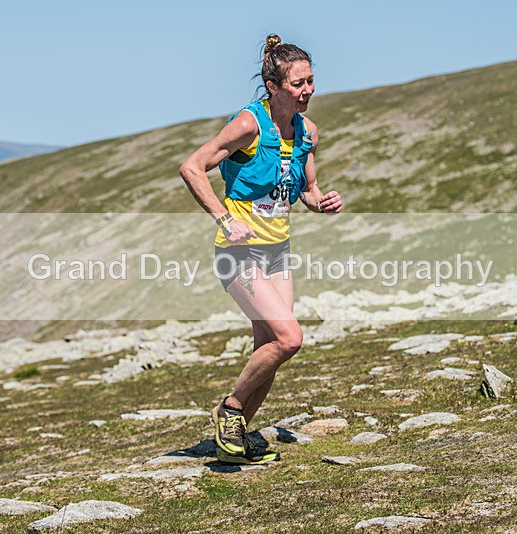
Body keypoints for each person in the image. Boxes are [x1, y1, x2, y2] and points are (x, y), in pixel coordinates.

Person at [179, 34, 342, 465]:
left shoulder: (307, 131)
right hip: (238, 253)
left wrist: (321, 202)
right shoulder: (250, 124)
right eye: (297, 84)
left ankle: (233, 443)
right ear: (273, 85)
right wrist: (224, 217)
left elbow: (306, 189)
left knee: (268, 347)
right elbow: (192, 167)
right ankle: (231, 410)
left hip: (277, 252)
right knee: (290, 339)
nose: (307, 91)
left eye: (311, 81)